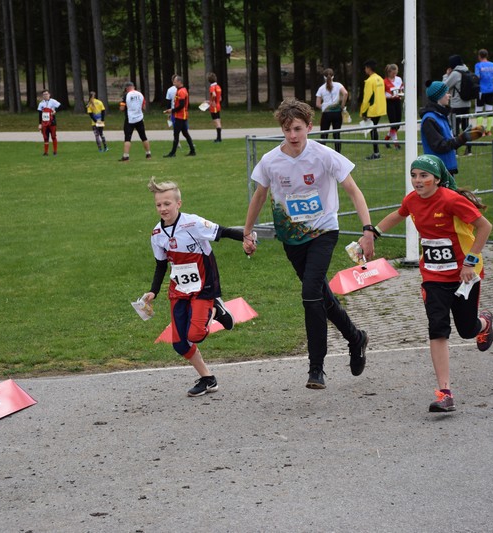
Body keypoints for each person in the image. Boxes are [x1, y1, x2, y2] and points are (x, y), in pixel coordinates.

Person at [242, 98, 372, 389]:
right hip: (292, 238)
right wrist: (247, 232)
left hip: (324, 232)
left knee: (310, 292)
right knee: (320, 295)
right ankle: (355, 337)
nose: (293, 136)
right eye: (287, 130)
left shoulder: (324, 155)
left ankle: (316, 367)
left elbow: (353, 190)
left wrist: (367, 230)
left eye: (298, 129)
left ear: (309, 127)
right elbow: (260, 196)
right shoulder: (270, 161)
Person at [365, 154, 493, 412]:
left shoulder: (451, 200)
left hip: (463, 275)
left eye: (423, 175)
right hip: (433, 276)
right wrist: (372, 233)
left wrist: (470, 261)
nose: (417, 181)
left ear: (437, 178)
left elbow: (484, 226)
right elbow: (398, 214)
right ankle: (444, 392)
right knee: (438, 328)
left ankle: (484, 323)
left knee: (467, 329)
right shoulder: (412, 200)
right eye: (414, 175)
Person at [142, 177, 240, 397]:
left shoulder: (192, 223)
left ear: (179, 203)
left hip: (203, 285)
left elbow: (222, 231)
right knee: (179, 344)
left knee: (195, 335)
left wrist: (248, 236)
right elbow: (160, 265)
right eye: (158, 205)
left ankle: (216, 308)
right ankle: (208, 379)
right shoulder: (157, 234)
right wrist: (153, 291)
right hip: (179, 289)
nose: (163, 209)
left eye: (167, 204)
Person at [420, 81, 484, 176]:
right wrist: (462, 138)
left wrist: (462, 137)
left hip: (446, 168)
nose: (449, 95)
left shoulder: (440, 115)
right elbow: (440, 146)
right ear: (438, 96)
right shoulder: (430, 119)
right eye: (446, 93)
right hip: (438, 171)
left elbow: (447, 141)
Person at [443, 55, 474, 156]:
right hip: (467, 103)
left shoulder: (455, 74)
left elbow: (445, 86)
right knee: (466, 127)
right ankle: (469, 150)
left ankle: (455, 150)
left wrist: (447, 75)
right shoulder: (467, 71)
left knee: (454, 128)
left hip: (456, 104)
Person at [315, 68, 348, 153]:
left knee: (324, 135)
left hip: (326, 114)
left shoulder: (321, 88)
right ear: (333, 76)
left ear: (324, 77)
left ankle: (322, 154)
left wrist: (324, 107)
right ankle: (338, 153)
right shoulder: (338, 85)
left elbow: (317, 104)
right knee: (336, 134)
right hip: (337, 112)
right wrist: (342, 106)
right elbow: (345, 93)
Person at [163, 75, 196, 157]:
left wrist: (172, 111)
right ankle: (192, 151)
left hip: (180, 116)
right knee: (185, 134)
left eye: (175, 81)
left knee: (176, 134)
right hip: (181, 116)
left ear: (179, 82)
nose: (174, 83)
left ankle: (172, 153)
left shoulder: (181, 91)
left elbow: (181, 105)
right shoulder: (181, 90)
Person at [118, 81, 152, 162]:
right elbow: (144, 107)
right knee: (143, 136)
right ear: (133, 87)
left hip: (130, 119)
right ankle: (148, 154)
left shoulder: (126, 95)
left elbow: (122, 108)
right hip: (139, 118)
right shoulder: (140, 94)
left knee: (127, 138)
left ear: (126, 88)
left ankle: (126, 156)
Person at [360, 60, 386, 160]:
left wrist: (363, 111)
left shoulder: (370, 81)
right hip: (380, 108)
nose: (365, 70)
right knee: (374, 129)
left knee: (372, 130)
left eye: (365, 68)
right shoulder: (379, 79)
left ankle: (376, 153)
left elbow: (367, 98)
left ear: (368, 68)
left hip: (372, 109)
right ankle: (376, 152)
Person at [474, 49, 493, 136]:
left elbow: (477, 77)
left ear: (479, 56)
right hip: (491, 90)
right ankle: (488, 131)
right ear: (487, 55)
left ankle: (480, 131)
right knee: (489, 110)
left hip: (481, 91)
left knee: (479, 111)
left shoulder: (478, 65)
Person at [383, 63, 404, 149]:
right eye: (393, 73)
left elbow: (402, 89)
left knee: (397, 124)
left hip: (397, 101)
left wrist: (401, 94)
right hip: (389, 102)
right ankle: (396, 143)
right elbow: (382, 94)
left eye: (396, 73)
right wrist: (389, 96)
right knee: (393, 123)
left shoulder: (399, 79)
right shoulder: (385, 81)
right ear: (389, 72)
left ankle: (386, 139)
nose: (395, 75)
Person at [38, 90, 61, 156]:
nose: (45, 95)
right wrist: (40, 124)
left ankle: (55, 151)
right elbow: (40, 114)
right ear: (43, 96)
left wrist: (55, 111)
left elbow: (61, 106)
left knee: (53, 136)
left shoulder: (53, 101)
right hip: (44, 123)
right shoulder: (41, 103)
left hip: (52, 122)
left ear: (49, 95)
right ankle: (46, 152)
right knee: (45, 137)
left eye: (46, 94)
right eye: (44, 94)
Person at [207, 72, 223, 143]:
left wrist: (212, 101)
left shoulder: (212, 87)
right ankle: (219, 137)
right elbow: (220, 98)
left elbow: (213, 94)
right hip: (218, 105)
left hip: (214, 107)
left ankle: (218, 138)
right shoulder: (218, 86)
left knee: (216, 121)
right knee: (218, 120)